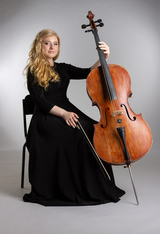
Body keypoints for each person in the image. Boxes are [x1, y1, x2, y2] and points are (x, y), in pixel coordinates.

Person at [23, 29, 125, 206]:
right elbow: (40, 101)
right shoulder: (34, 70)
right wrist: (63, 114)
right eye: (47, 43)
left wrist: (104, 57)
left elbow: (88, 72)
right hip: (46, 119)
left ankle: (96, 187)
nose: (51, 47)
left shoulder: (63, 68)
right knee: (78, 135)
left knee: (94, 129)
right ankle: (74, 187)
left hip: (68, 110)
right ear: (40, 46)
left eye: (55, 43)